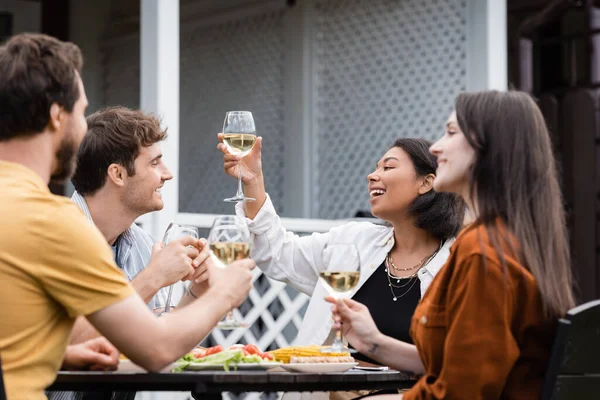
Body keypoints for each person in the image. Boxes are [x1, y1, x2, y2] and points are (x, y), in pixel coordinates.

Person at [0, 33, 254, 400]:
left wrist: (52, 355)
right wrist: (225, 292)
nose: (83, 128)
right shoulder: (51, 221)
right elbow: (156, 348)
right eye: (80, 111)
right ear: (57, 115)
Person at [327, 90, 576, 399]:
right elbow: (456, 366)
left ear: (488, 149)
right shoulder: (506, 240)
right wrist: (374, 342)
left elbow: (461, 392)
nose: (436, 147)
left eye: (451, 133)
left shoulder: (484, 252)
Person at [218, 135, 464, 355]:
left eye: (388, 167)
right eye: (376, 167)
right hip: (332, 389)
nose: (372, 175)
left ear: (426, 183)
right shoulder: (354, 240)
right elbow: (279, 253)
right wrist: (254, 181)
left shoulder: (459, 262)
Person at [49, 106, 212, 400]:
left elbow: (160, 336)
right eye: (155, 163)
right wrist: (152, 278)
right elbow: (60, 343)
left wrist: (198, 292)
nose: (168, 174)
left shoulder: (139, 242)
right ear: (118, 174)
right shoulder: (55, 234)